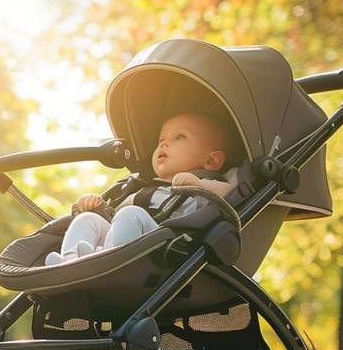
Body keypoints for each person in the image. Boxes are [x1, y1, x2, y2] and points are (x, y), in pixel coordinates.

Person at [45, 112, 240, 265]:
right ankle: (69, 261)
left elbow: (233, 196)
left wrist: (199, 184)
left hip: (166, 247)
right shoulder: (144, 190)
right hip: (126, 242)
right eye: (160, 140)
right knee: (88, 219)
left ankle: (102, 258)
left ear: (212, 160)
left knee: (131, 214)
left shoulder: (214, 181)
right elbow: (114, 220)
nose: (164, 143)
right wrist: (97, 208)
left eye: (179, 137)